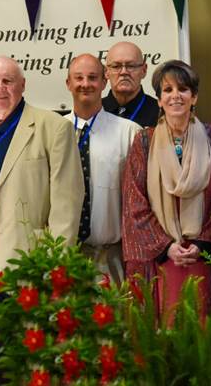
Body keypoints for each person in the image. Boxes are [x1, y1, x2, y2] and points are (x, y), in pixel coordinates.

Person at [0, 56, 83, 307]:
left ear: (23, 85)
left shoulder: (54, 127)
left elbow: (67, 203)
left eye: (8, 81)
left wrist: (55, 263)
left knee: (25, 338)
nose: (0, 88)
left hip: (28, 254)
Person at [122, 60, 211, 321]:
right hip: (160, 258)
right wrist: (166, 246)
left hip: (203, 257)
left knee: (204, 339)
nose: (175, 96)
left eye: (182, 89)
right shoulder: (144, 141)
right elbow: (133, 202)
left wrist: (200, 243)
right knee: (163, 339)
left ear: (193, 97)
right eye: (167, 90)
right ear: (159, 99)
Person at [64, 54, 140, 285]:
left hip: (112, 258)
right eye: (79, 78)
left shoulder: (129, 133)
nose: (85, 84)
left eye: (93, 77)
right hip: (67, 258)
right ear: (68, 83)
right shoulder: (55, 131)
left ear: (105, 82)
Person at [102, 41, 160, 128]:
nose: (124, 72)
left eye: (131, 66)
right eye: (116, 66)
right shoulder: (94, 111)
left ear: (143, 70)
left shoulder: (161, 113)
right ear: (106, 72)